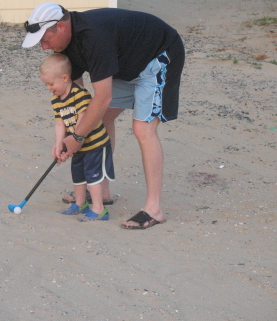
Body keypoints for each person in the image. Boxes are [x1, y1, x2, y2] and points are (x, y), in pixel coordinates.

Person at [22, 3, 185, 229]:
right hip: (127, 63)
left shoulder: (93, 37)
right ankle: (101, 188)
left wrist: (77, 138)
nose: (43, 47)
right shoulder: (65, 46)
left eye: (44, 40)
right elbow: (77, 98)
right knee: (99, 119)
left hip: (158, 55)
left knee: (143, 128)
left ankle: (153, 210)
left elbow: (103, 96)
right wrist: (67, 137)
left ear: (60, 26)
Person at [39, 53, 115, 222]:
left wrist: (74, 139)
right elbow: (60, 124)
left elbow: (83, 117)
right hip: (77, 146)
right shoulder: (56, 100)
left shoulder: (79, 93)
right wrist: (59, 145)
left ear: (65, 77)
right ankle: (80, 204)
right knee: (78, 176)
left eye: (51, 84)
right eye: (46, 84)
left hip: (95, 144)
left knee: (93, 177)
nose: (48, 88)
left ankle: (99, 209)